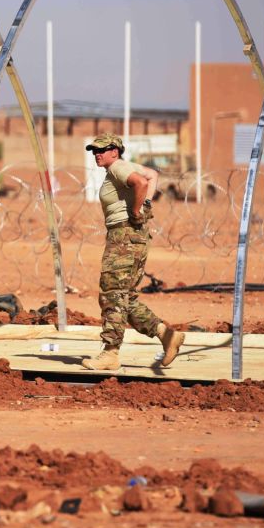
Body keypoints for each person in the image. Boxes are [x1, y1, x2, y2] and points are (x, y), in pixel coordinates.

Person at [83, 133, 184, 371]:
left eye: (102, 150)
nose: (97, 154)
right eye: (94, 151)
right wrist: (146, 205)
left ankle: (110, 353)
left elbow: (140, 182)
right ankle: (166, 335)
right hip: (132, 237)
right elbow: (152, 175)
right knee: (125, 296)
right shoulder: (120, 167)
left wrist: (137, 210)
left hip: (123, 237)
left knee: (113, 295)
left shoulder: (118, 167)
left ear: (114, 152)